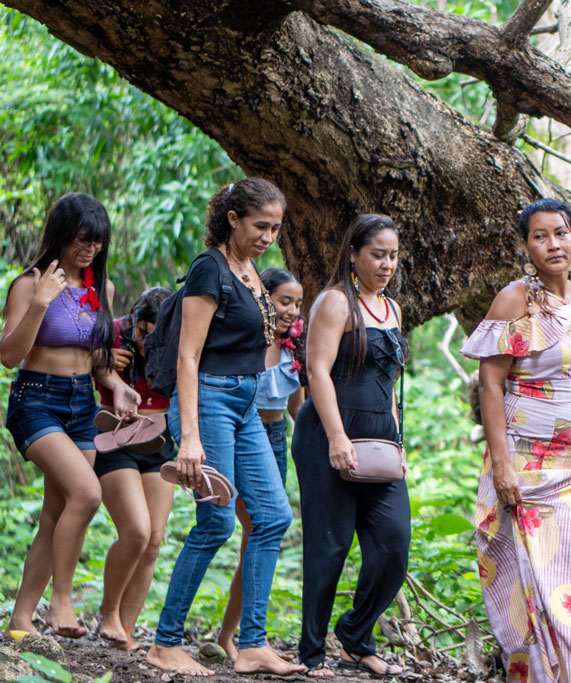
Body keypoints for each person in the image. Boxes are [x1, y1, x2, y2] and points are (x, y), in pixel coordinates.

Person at [461, 198, 571, 683]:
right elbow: (491, 384)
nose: (552, 243)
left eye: (560, 232)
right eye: (540, 236)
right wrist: (502, 466)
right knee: (547, 589)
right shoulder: (514, 300)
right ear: (526, 246)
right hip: (531, 469)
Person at [145, 178, 303, 677]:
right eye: (260, 225)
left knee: (274, 516)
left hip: (246, 399)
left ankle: (252, 645)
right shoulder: (208, 268)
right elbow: (189, 355)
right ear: (232, 218)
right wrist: (188, 435)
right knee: (216, 522)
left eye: (275, 228)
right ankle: (165, 642)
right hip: (208, 399)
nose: (268, 236)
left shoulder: (250, 270)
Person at [1, 193, 140, 638]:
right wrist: (41, 301)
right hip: (38, 400)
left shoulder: (102, 289)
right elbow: (8, 356)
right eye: (84, 239)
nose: (91, 249)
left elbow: (98, 358)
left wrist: (117, 386)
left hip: (83, 402)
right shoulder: (30, 283)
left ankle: (21, 620)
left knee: (55, 511)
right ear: (61, 233)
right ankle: (61, 603)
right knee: (86, 494)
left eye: (98, 242)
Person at [292, 214, 409, 678]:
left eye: (393, 256)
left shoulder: (392, 310)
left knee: (393, 543)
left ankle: (355, 637)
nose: (386, 264)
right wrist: (337, 437)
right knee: (330, 545)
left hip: (380, 437)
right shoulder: (336, 302)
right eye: (377, 254)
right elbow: (316, 371)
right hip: (329, 433)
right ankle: (312, 652)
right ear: (354, 254)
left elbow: (389, 385)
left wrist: (398, 444)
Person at [218, 267, 305, 660]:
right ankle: (240, 636)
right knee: (255, 529)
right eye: (284, 301)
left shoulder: (293, 347)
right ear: (264, 299)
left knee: (259, 535)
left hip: (275, 439)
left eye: (297, 303)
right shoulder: (246, 339)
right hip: (241, 437)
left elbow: (296, 409)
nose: (291, 310)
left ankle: (233, 635)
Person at [94, 286, 175, 650]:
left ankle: (124, 629)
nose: (147, 342)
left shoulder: (178, 343)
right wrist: (105, 361)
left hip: (159, 441)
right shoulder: (113, 331)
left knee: (155, 541)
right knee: (137, 531)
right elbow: (79, 361)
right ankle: (107, 613)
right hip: (116, 437)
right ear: (135, 321)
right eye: (143, 332)